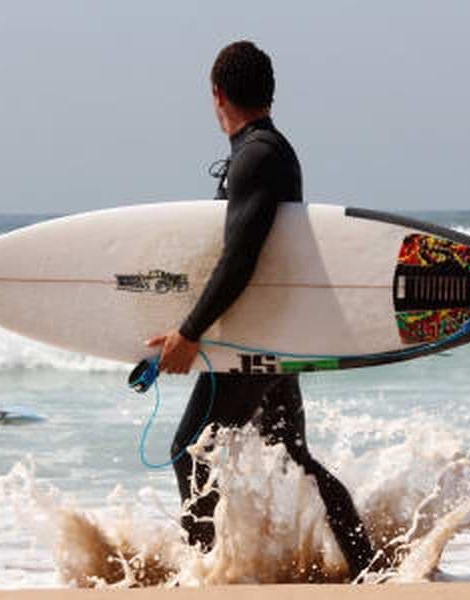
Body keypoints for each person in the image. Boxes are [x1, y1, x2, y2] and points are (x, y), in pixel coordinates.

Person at [144, 41, 381, 579]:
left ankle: (205, 574)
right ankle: (370, 568)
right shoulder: (268, 152)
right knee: (291, 454)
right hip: (274, 331)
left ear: (217, 94)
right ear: (269, 93)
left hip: (254, 334)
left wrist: (190, 331)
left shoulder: (257, 156)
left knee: (189, 450)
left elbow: (241, 257)